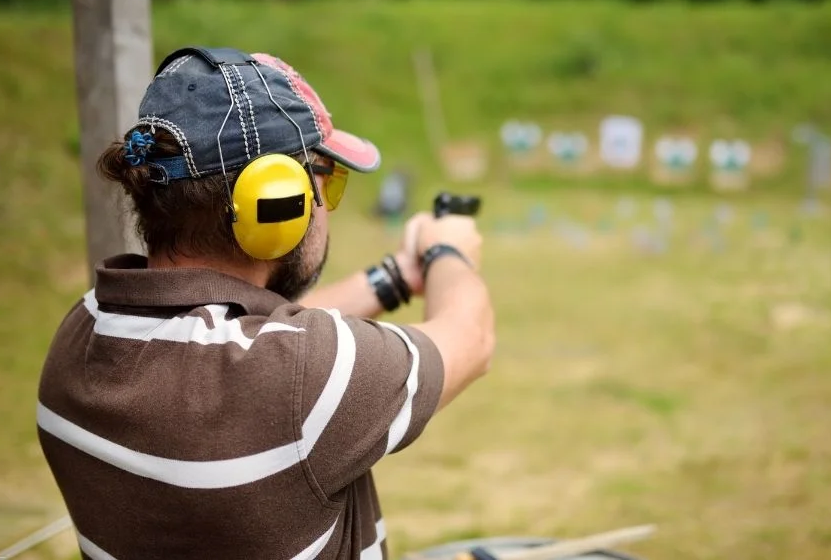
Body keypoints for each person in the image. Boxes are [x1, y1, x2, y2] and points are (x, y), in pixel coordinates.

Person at [36, 47, 495, 560]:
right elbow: (470, 338)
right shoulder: (298, 378)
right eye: (328, 179)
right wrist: (447, 250)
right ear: (276, 204)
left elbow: (249, 342)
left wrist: (390, 280)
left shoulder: (80, 333)